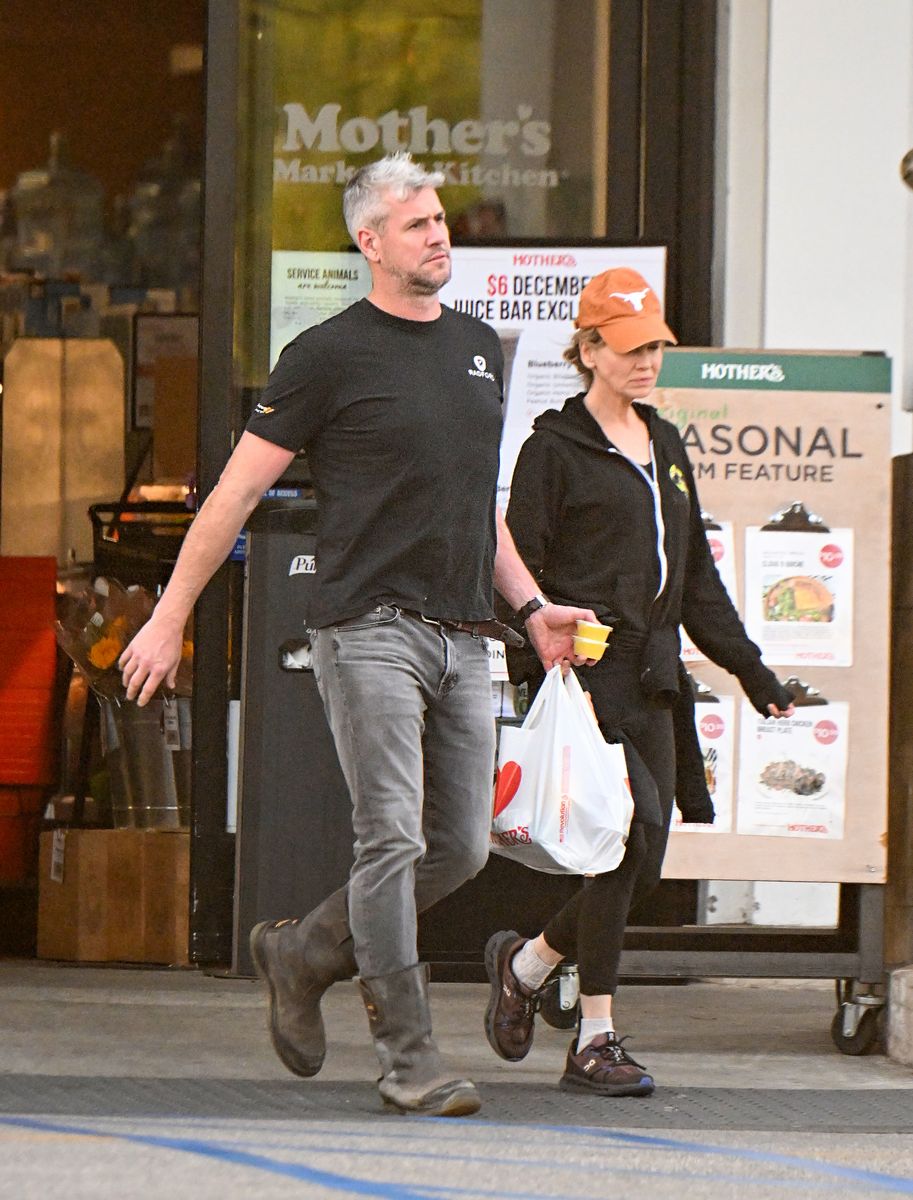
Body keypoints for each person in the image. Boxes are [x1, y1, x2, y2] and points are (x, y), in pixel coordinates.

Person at [118, 152, 594, 1118]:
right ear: (368, 242)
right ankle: (408, 1058)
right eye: (416, 224)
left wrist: (532, 605)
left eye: (439, 219)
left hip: (466, 635)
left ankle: (300, 953)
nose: (438, 234)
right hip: (366, 629)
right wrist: (169, 616)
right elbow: (237, 495)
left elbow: (478, 506)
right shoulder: (325, 354)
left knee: (458, 846)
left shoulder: (474, 346)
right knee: (390, 839)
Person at [483, 267, 794, 1098]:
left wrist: (753, 672)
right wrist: (538, 649)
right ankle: (595, 1038)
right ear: (588, 350)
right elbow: (514, 571)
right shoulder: (553, 448)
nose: (646, 360)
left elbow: (696, 583)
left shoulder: (665, 444)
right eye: (628, 347)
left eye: (654, 344)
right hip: (587, 670)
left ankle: (526, 963)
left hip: (654, 676)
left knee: (644, 857)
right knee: (620, 847)